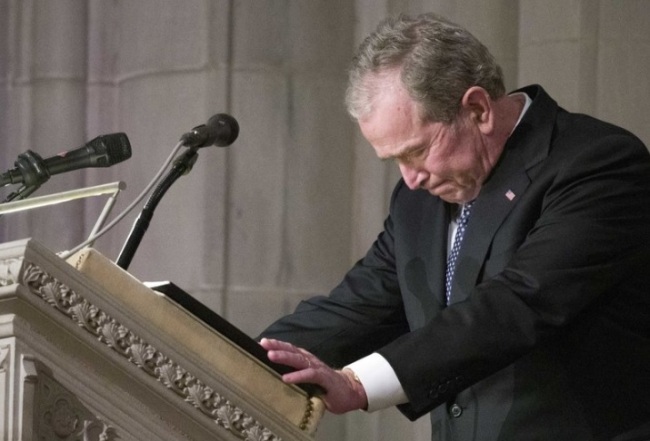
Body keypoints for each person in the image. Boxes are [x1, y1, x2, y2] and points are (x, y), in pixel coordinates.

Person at [259, 12, 650, 441]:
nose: (410, 178)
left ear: (478, 109)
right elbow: (359, 305)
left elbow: (516, 306)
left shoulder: (598, 164)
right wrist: (234, 355)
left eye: (417, 151)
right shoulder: (418, 198)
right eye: (395, 161)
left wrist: (356, 384)